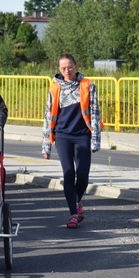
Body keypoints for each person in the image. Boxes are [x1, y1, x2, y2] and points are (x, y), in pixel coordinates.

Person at [42, 53, 102, 229]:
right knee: (68, 173)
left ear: (76, 66)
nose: (67, 71)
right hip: (62, 135)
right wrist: (46, 145)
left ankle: (77, 201)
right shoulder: (55, 88)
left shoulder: (87, 85)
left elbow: (95, 112)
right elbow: (48, 116)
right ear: (59, 69)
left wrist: (95, 141)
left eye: (70, 67)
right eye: (63, 68)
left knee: (82, 176)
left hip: (82, 135)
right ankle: (73, 214)